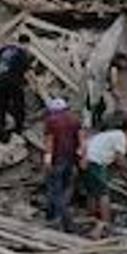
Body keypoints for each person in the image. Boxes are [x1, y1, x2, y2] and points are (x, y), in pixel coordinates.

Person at [80, 115, 127, 237]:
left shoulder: (110, 134)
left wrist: (124, 173)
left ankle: (91, 218)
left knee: (92, 193)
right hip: (95, 162)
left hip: (87, 160)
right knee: (103, 194)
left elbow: (115, 162)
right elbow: (120, 159)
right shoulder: (121, 137)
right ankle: (106, 223)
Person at [43, 98, 81, 233]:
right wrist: (80, 158)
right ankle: (52, 215)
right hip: (70, 159)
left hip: (57, 159)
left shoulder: (51, 121)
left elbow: (49, 142)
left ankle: (64, 220)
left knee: (55, 189)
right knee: (64, 189)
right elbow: (81, 141)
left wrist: (47, 160)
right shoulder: (75, 120)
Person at [0, 34, 33, 141]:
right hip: (13, 82)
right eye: (28, 45)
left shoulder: (5, 48)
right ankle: (18, 129)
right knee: (18, 105)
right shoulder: (22, 53)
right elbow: (28, 72)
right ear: (26, 43)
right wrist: (35, 83)